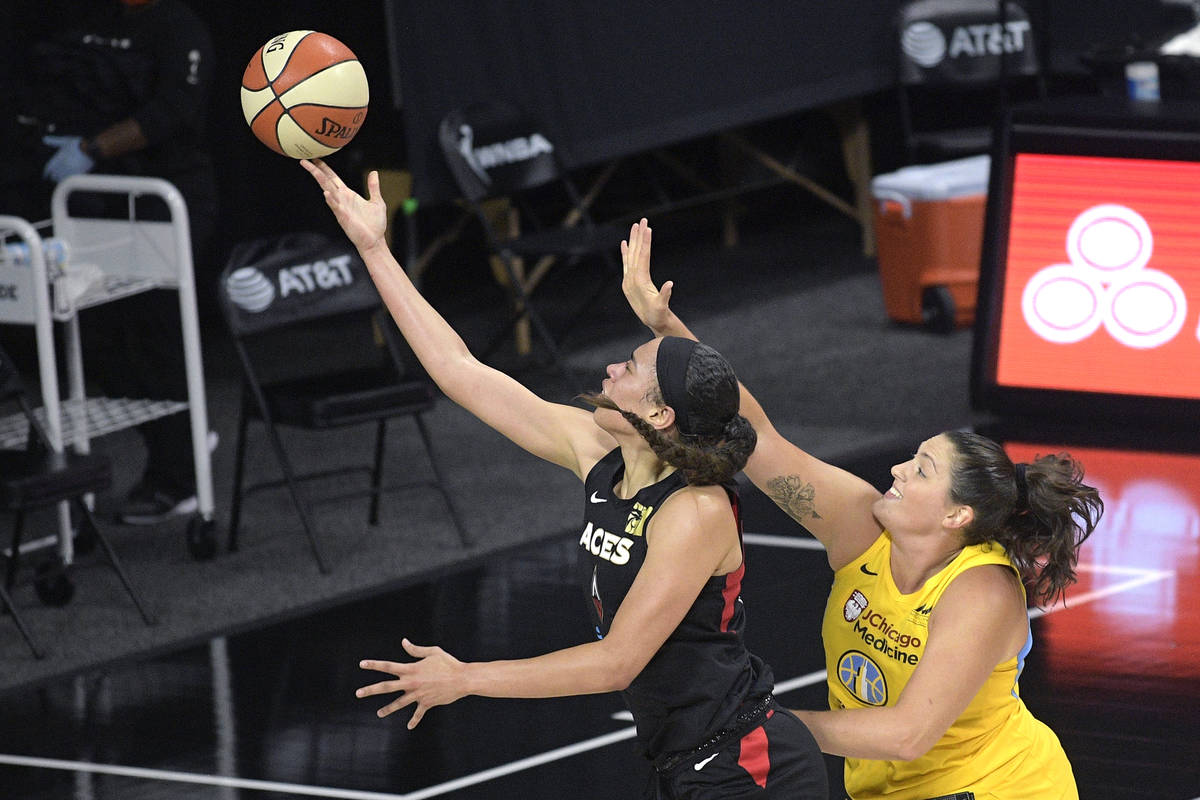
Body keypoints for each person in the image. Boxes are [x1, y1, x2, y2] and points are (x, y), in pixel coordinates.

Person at [300, 159, 828, 799]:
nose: (611, 369)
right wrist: (375, 248)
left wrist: (466, 678)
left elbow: (617, 662)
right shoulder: (596, 448)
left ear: (659, 415)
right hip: (683, 761)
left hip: (746, 767)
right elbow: (459, 371)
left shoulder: (695, 511)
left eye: (631, 370)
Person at [620, 218, 1104, 800]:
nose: (897, 471)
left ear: (957, 516)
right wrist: (666, 334)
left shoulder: (983, 590)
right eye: (910, 458)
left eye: (921, 470)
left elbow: (908, 734)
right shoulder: (863, 524)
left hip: (1004, 788)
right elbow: (756, 437)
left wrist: (759, 728)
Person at [1, 0, 218, 524]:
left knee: (156, 334)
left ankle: (178, 476)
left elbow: (173, 108)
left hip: (161, 198)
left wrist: (93, 147)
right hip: (91, 203)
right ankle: (173, 442)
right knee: (94, 335)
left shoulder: (177, 27)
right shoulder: (86, 22)